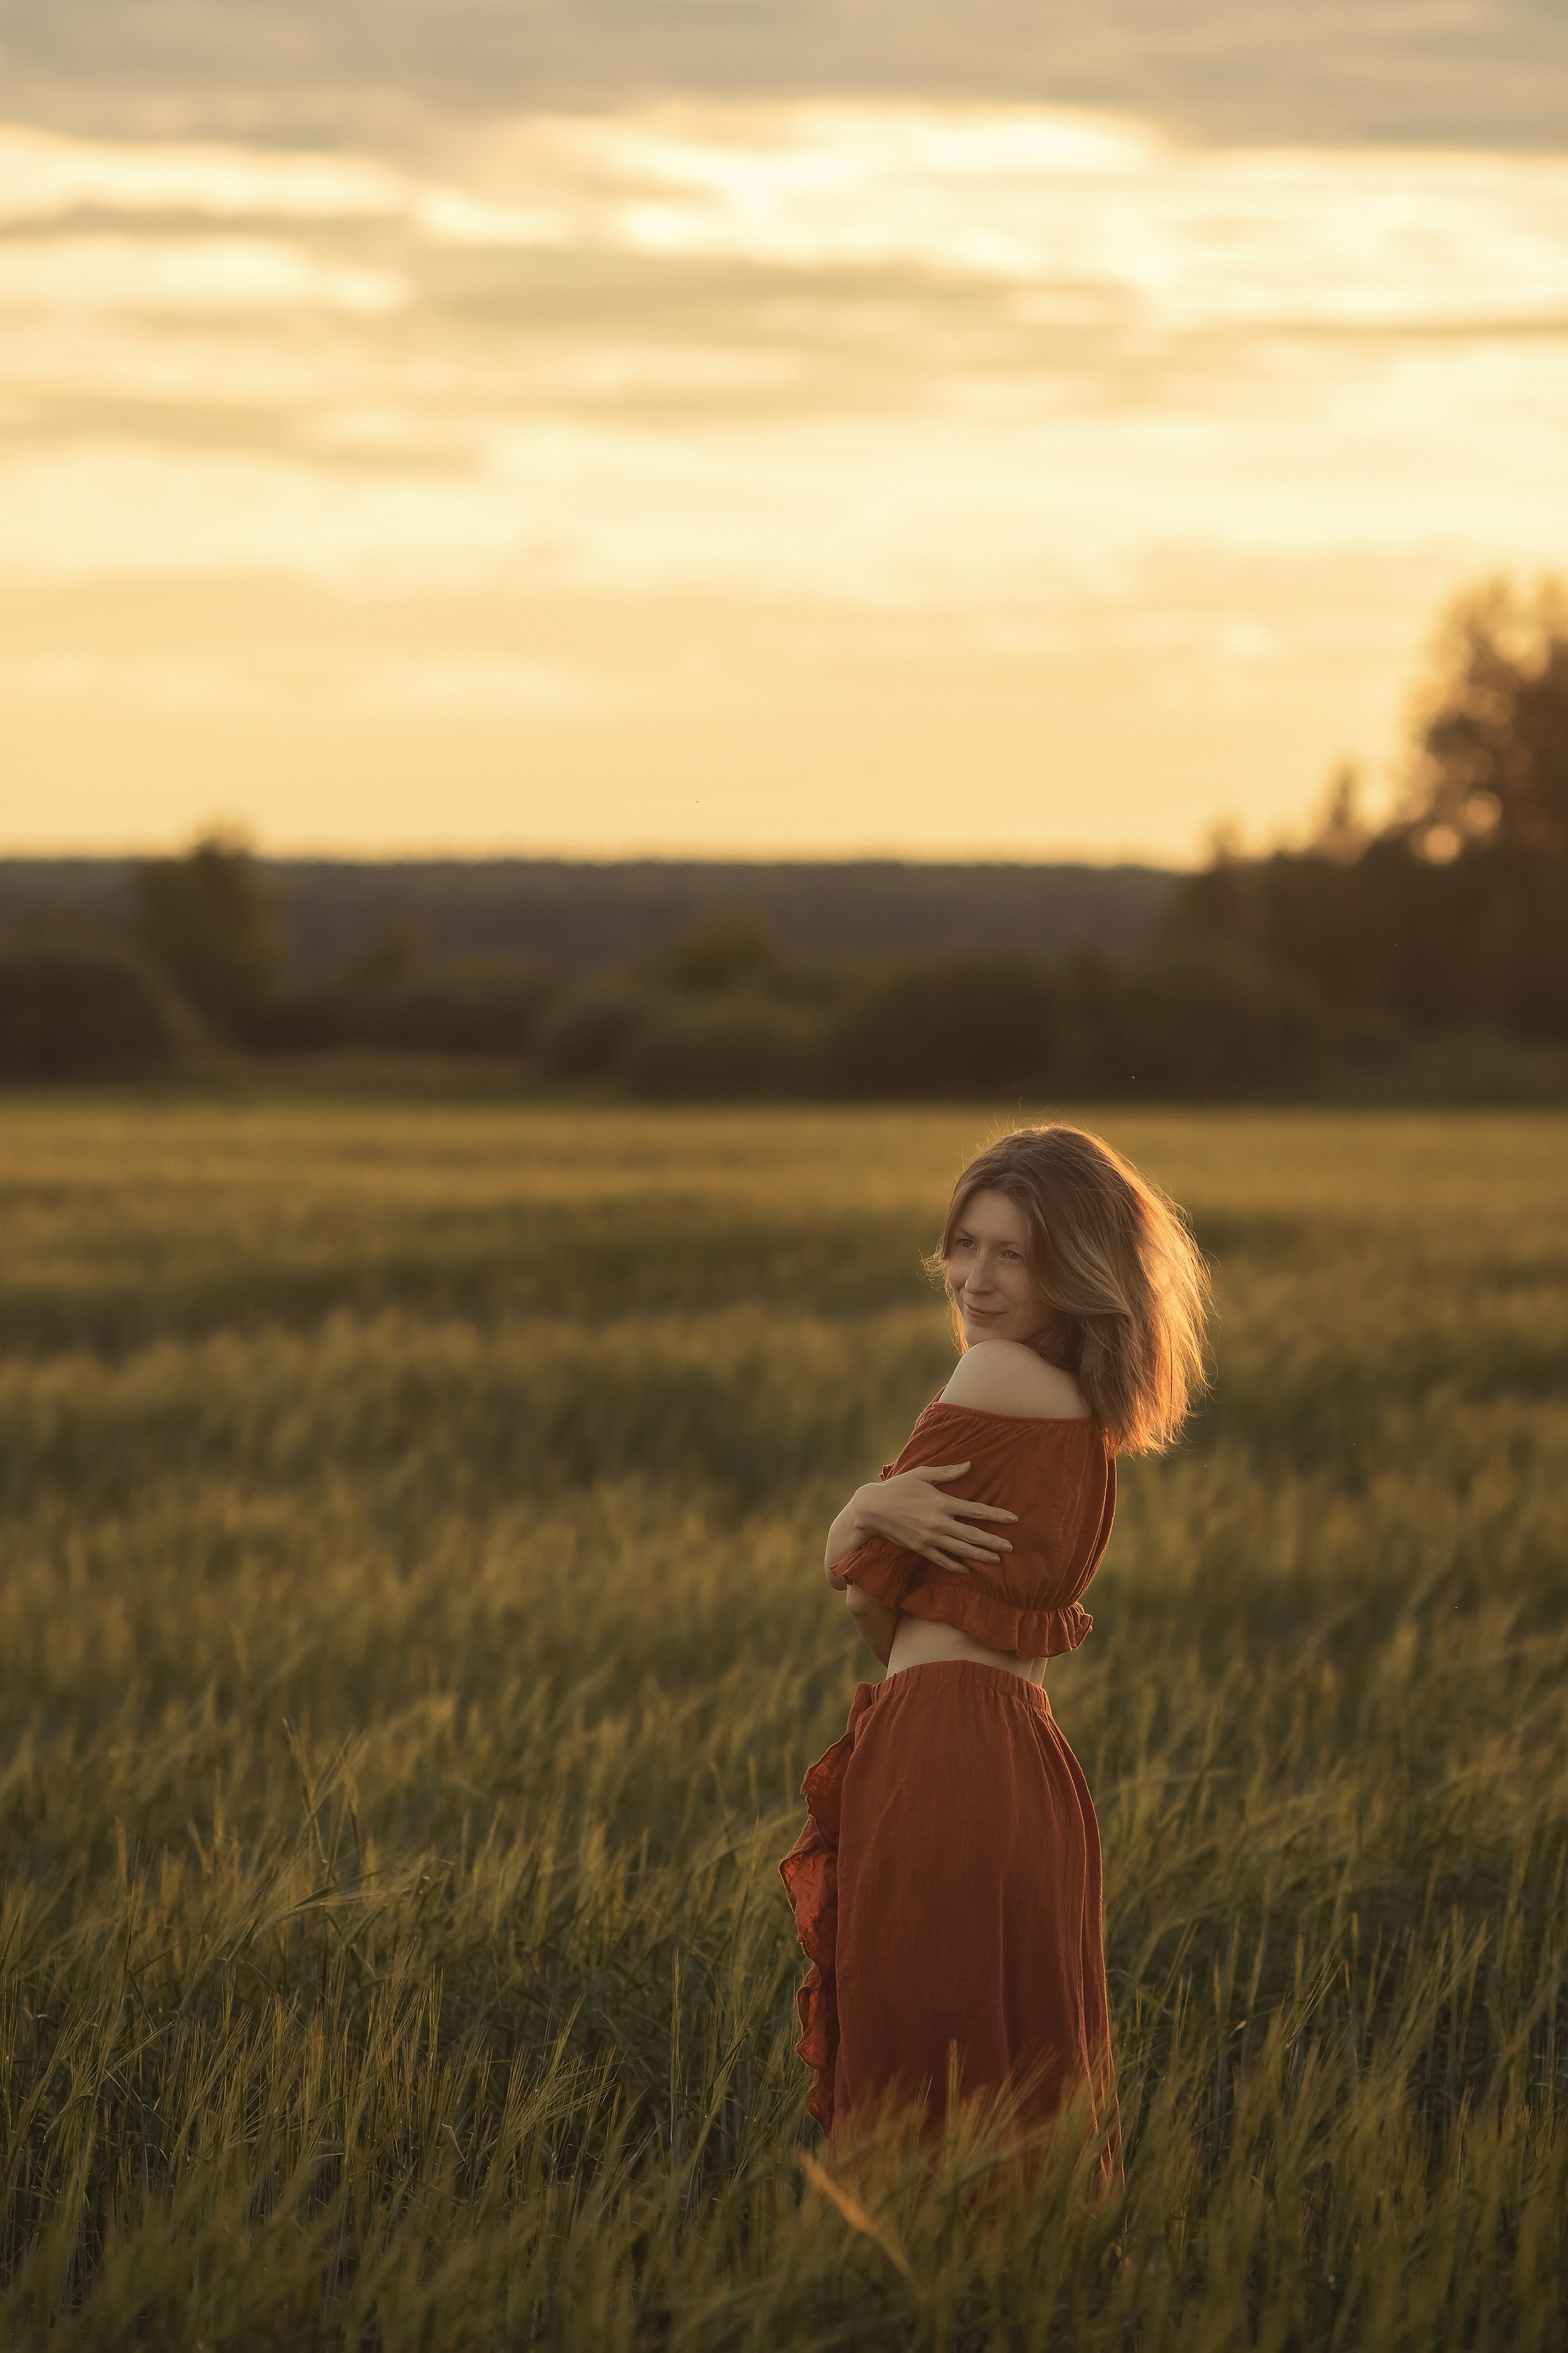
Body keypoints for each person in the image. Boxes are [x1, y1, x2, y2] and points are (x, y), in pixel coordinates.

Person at [780, 1123, 1209, 2147]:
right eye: (965, 1245)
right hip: (1025, 1761)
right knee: (1017, 2085)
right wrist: (867, 1521)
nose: (975, 1277)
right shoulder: (1089, 1422)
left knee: (917, 2086)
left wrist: (852, 1516)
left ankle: (919, 2303)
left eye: (1012, 1252)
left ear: (1077, 1265)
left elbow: (870, 1605)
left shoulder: (991, 1381)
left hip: (938, 1753)